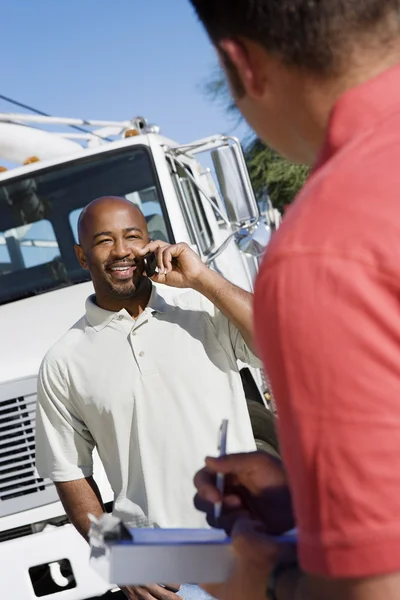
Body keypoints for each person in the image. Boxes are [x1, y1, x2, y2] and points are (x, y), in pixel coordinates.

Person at [190, 0, 400, 599]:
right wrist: (309, 500)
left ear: (242, 66)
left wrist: (263, 579)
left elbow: (377, 590)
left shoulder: (324, 245)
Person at [35, 195, 260, 600]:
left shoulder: (202, 307)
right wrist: (116, 559)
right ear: (81, 256)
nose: (121, 250)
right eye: (103, 240)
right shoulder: (62, 362)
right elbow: (69, 474)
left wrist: (203, 279)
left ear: (150, 242)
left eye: (132, 236)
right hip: (168, 575)